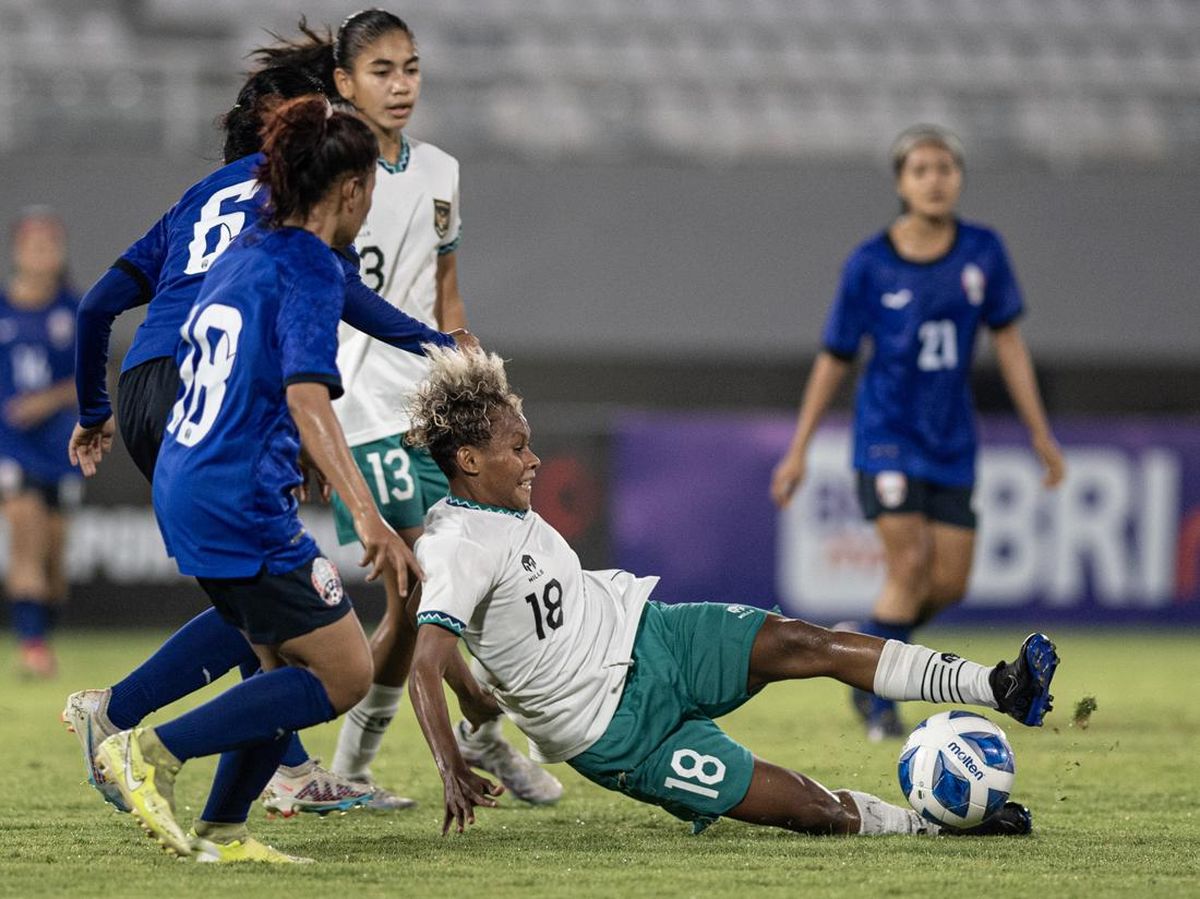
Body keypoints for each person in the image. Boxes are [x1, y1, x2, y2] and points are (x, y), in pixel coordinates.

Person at [404, 346, 1058, 839]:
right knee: (813, 810)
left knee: (809, 641)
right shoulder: (457, 543)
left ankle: (999, 686)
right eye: (518, 447)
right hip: (620, 733)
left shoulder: (500, 506)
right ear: (467, 459)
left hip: (651, 633)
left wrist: (480, 699)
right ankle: (934, 826)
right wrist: (450, 763)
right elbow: (424, 663)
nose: (533, 459)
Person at [62, 64, 472, 818]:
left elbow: (96, 307)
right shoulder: (301, 210)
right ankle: (159, 735)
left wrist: (94, 410)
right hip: (223, 400)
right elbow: (330, 321)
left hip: (156, 383)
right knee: (286, 608)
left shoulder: (202, 197)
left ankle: (206, 769)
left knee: (261, 603)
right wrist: (444, 347)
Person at [252, 11, 562, 809]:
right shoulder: (327, 171)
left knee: (443, 588)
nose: (401, 85)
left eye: (412, 69)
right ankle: (470, 725)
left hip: (432, 406)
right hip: (361, 409)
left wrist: (471, 371)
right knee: (426, 582)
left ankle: (379, 760)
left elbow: (444, 288)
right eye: (382, 70)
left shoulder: (441, 171)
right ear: (344, 83)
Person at [769, 124, 1066, 741]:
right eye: (922, 170)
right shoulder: (871, 264)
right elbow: (834, 357)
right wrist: (798, 449)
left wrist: (1040, 433)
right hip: (886, 436)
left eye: (946, 168)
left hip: (951, 440)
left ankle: (869, 642)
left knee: (949, 583)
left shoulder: (983, 252)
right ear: (902, 183)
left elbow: (1009, 345)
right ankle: (880, 702)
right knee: (909, 563)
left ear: (959, 177)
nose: (936, 179)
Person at [0, 208, 80, 678]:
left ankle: (40, 631)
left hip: (60, 448)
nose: (41, 253)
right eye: (33, 245)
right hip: (11, 447)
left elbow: (89, 378)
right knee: (25, 536)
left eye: (49, 245)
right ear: (17, 251)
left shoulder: (73, 310)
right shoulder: (4, 310)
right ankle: (31, 646)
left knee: (54, 564)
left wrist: (46, 401)